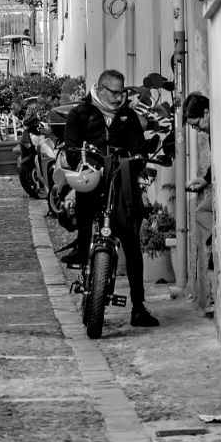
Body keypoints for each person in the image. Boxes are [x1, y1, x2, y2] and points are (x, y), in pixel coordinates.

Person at [58, 68, 158, 328]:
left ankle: (138, 307)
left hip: (122, 185)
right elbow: (71, 150)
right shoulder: (80, 114)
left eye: (121, 93)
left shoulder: (128, 116)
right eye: (113, 93)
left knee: (131, 243)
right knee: (83, 222)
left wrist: (134, 161)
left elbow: (139, 150)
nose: (118, 98)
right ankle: (84, 258)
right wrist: (89, 165)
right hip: (91, 181)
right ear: (100, 89)